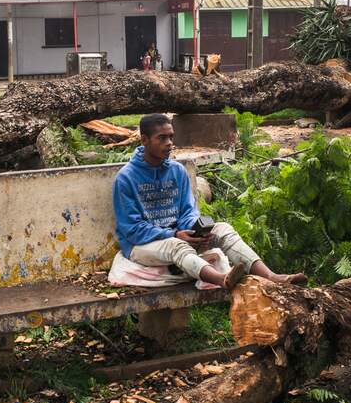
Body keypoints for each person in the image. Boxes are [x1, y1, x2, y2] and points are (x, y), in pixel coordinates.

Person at [112, 113, 307, 289]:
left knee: (223, 229)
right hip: (140, 246)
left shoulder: (177, 171)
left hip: (178, 236)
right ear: (144, 140)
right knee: (176, 246)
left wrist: (196, 231)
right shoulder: (126, 178)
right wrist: (174, 234)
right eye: (162, 138)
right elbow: (132, 228)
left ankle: (272, 277)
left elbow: (188, 211)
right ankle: (223, 280)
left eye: (171, 136)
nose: (169, 143)